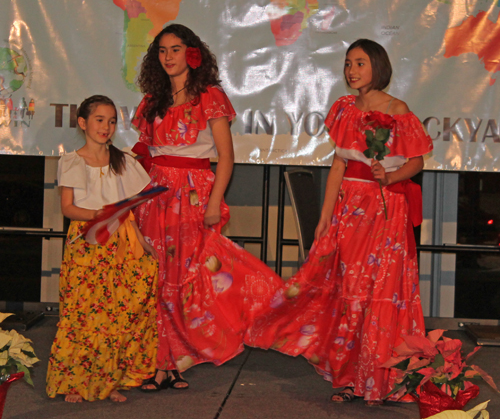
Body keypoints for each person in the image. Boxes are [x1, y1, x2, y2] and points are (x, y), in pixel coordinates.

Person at [248, 39, 434, 404]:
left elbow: (416, 162)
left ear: (377, 66)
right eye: (348, 63)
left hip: (384, 211)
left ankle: (380, 381)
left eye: (360, 63)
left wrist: (389, 177)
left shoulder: (398, 110)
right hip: (350, 209)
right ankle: (349, 377)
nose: (352, 70)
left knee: (380, 293)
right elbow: (338, 165)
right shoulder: (345, 108)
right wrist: (325, 217)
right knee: (350, 292)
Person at [132, 24, 281, 391]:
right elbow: (144, 154)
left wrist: (214, 202)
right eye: (162, 50)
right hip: (155, 195)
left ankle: (179, 358)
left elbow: (226, 157)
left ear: (192, 54)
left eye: (176, 49)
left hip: (194, 194)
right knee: (157, 276)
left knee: (187, 279)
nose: (168, 57)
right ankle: (159, 362)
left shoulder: (209, 97)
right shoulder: (153, 100)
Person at [46, 95, 159, 403]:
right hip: (87, 241)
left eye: (111, 121)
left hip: (119, 243)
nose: (106, 127)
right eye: (99, 120)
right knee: (83, 313)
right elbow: (68, 208)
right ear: (83, 123)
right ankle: (76, 382)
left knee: (116, 313)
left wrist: (141, 240)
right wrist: (96, 215)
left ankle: (111, 380)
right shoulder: (70, 161)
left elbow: (128, 209)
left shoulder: (122, 160)